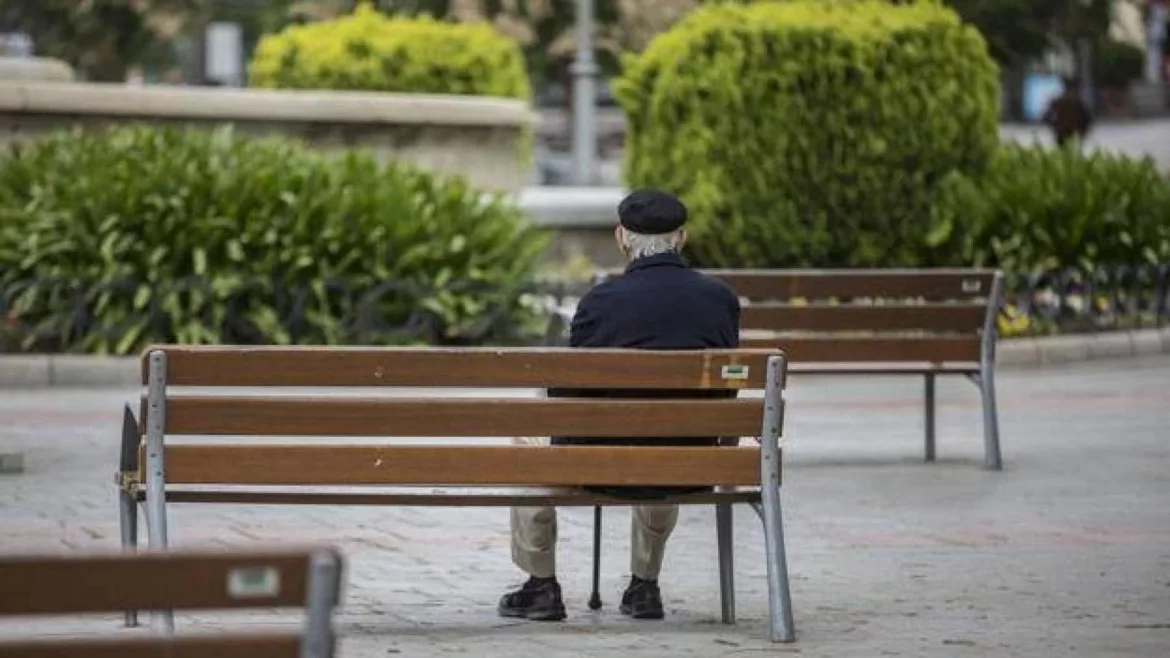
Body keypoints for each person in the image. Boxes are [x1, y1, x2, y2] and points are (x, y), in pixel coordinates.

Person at [497, 189, 741, 622]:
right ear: (681, 238)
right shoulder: (719, 299)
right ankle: (644, 586)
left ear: (621, 239)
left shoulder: (600, 302)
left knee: (529, 434)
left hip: (603, 462)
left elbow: (571, 397)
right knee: (667, 436)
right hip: (693, 458)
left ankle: (541, 585)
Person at [1043, 76, 1093, 148]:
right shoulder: (1078, 103)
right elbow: (1087, 119)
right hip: (1074, 133)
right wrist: (1083, 132)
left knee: (1063, 151)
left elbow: (1046, 117)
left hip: (1061, 132)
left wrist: (1054, 126)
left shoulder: (1057, 102)